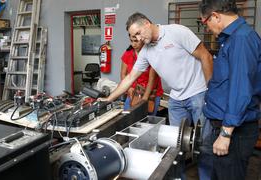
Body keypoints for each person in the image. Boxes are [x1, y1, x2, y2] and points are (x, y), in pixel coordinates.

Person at [99, 12, 213, 180]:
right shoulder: (146, 51)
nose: (137, 39)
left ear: (147, 23)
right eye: (133, 36)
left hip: (198, 92)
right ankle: (178, 178)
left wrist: (210, 91)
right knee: (176, 145)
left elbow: (205, 56)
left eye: (138, 33)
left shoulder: (176, 32)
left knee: (204, 143)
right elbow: (130, 77)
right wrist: (109, 99)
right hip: (176, 98)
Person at [199, 0, 261, 179]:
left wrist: (226, 133)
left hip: (234, 133)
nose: (207, 28)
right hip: (224, 126)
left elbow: (240, 89)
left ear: (216, 16)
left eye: (205, 23)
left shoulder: (241, 39)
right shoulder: (233, 38)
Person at [121, 34, 163, 115]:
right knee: (127, 119)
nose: (133, 44)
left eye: (136, 41)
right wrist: (128, 88)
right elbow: (123, 74)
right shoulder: (128, 54)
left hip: (151, 94)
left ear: (143, 39)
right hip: (133, 93)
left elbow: (152, 79)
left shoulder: (152, 54)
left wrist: (144, 99)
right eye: (131, 41)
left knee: (148, 122)